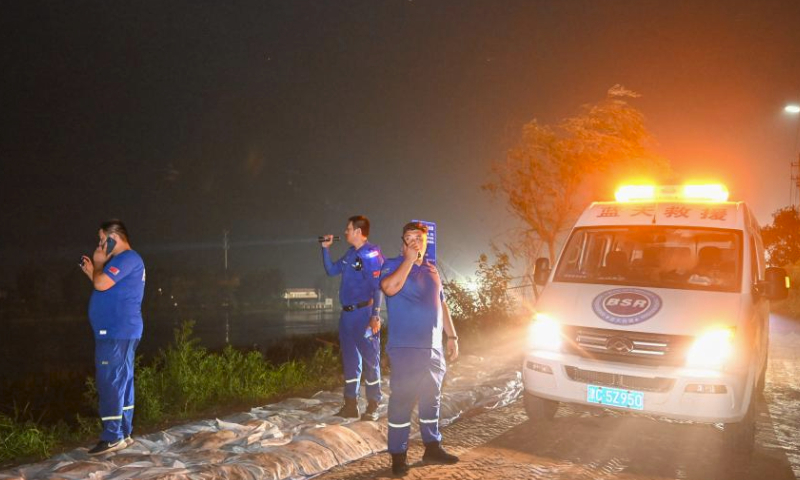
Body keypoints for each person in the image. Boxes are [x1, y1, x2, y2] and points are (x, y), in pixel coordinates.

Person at [379, 221, 460, 476]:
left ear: (425, 242)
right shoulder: (392, 265)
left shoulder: (432, 270)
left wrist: (452, 336)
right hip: (406, 348)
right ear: (402, 243)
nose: (414, 241)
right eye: (409, 238)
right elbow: (389, 288)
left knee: (431, 399)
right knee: (402, 402)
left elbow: (442, 305)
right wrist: (409, 260)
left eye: (418, 238)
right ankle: (398, 454)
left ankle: (432, 446)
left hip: (433, 348)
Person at [80, 220, 145, 455]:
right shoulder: (123, 262)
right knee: (123, 380)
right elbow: (105, 287)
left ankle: (112, 436)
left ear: (113, 237)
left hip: (116, 332)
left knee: (110, 381)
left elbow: (101, 282)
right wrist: (93, 272)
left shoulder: (126, 258)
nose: (99, 245)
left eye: (101, 239)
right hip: (121, 331)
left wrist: (98, 265)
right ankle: (124, 433)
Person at [321, 215, 385, 421]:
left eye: (348, 229)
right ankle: (350, 405)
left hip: (363, 315)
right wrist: (325, 248)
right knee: (350, 361)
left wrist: (375, 315)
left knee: (370, 360)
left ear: (358, 231)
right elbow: (331, 271)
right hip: (346, 316)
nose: (346, 232)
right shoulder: (350, 254)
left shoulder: (371, 254)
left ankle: (374, 404)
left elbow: (378, 288)